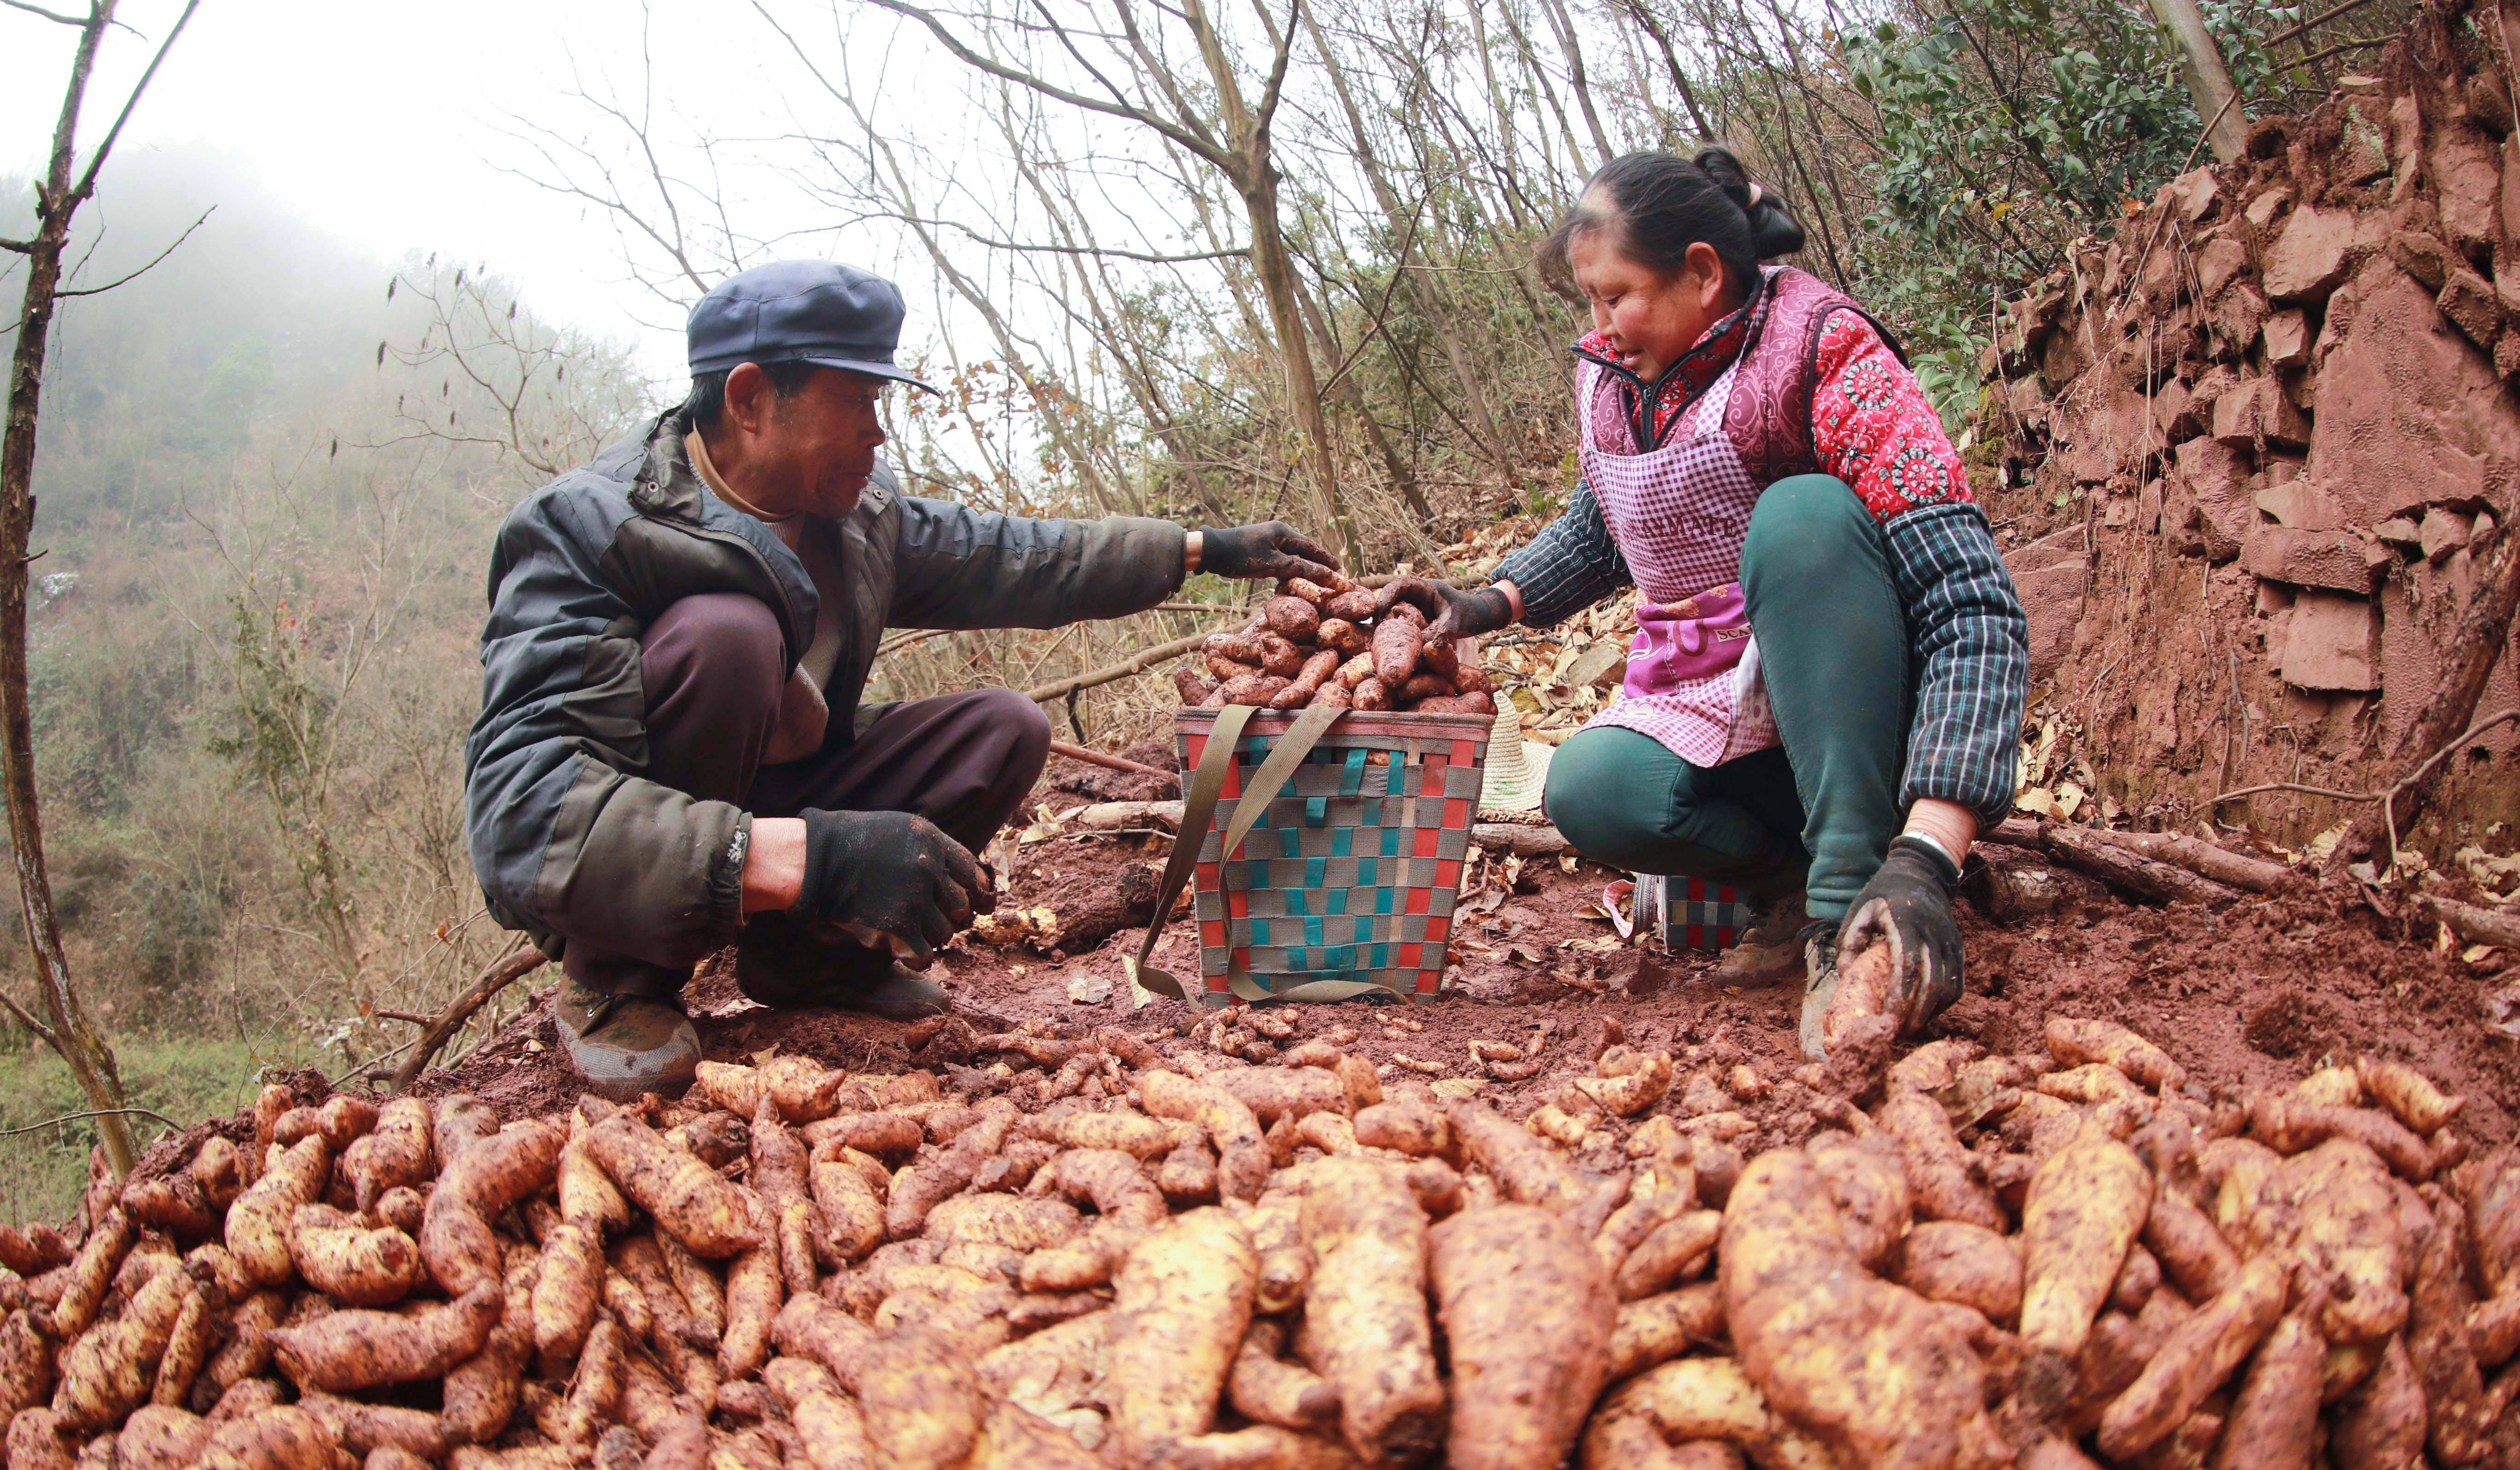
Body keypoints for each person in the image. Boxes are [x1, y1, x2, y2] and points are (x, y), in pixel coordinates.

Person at [465, 260, 1339, 1096]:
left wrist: (1197, 550)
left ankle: (810, 957)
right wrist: (814, 858)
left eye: (879, 402)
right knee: (725, 637)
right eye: (856, 404)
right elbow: (521, 815)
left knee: (1005, 728)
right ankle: (617, 982)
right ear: (750, 399)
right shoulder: (591, 530)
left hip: (786, 790)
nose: (877, 432)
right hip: (668, 834)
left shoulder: (856, 513)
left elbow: (1016, 557)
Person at [1382, 150, 2029, 1056]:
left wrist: (1930, 855)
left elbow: (1973, 604)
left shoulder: (1824, 349)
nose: (1600, 327)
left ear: (1702, 271)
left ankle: (1851, 907)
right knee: (1590, 787)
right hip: (1720, 703)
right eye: (1589, 302)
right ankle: (1798, 870)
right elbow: (1604, 530)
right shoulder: (1617, 381)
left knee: (1801, 519)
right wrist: (1477, 604)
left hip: (1856, 699)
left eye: (1618, 296)